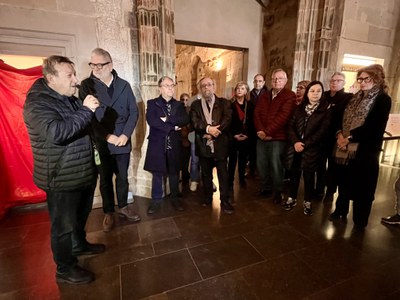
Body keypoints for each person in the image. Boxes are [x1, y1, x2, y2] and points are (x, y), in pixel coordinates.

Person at [23, 55, 105, 284]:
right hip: (61, 176)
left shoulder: (67, 96)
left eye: (74, 74)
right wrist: (86, 111)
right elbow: (57, 133)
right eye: (69, 75)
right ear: (50, 78)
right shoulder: (37, 103)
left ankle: (79, 244)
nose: (75, 80)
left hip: (81, 170)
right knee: (63, 226)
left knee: (80, 215)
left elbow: (80, 125)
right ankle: (65, 268)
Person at [79, 48, 140, 233]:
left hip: (122, 140)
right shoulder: (86, 85)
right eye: (93, 64)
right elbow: (87, 117)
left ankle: (123, 206)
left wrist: (125, 135)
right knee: (105, 179)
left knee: (122, 178)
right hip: (102, 141)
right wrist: (108, 136)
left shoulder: (124, 85)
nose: (96, 68)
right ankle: (108, 211)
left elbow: (133, 112)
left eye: (100, 64)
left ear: (110, 65)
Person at [329, 64, 391, 230]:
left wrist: (350, 137)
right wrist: (339, 135)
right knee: (343, 182)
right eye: (360, 79)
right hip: (345, 148)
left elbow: (375, 127)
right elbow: (338, 118)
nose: (362, 82)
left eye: (366, 79)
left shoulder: (382, 99)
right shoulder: (353, 98)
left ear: (376, 79)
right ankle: (340, 210)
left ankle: (360, 220)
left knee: (363, 188)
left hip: (365, 151)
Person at [283, 81, 332, 215]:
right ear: (307, 93)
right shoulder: (299, 108)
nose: (315, 93)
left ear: (322, 93)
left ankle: (307, 201)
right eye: (312, 91)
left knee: (309, 176)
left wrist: (305, 144)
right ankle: (291, 198)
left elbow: (322, 131)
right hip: (296, 147)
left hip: (312, 149)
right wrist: (296, 142)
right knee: (294, 174)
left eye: (318, 91)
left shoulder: (325, 110)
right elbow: (290, 126)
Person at [144, 76, 190, 214]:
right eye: (167, 85)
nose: (170, 88)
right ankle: (156, 201)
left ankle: (175, 199)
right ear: (160, 88)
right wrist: (171, 127)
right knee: (157, 174)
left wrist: (168, 119)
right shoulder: (152, 103)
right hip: (158, 144)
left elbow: (184, 119)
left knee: (174, 173)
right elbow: (152, 121)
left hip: (174, 144)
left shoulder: (179, 105)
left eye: (172, 85)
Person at [190, 76, 234, 214]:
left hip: (220, 144)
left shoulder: (224, 103)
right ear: (200, 89)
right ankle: (208, 198)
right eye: (203, 86)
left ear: (214, 87)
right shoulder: (195, 105)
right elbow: (195, 122)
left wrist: (216, 131)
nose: (206, 88)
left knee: (223, 175)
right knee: (206, 175)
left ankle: (225, 200)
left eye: (209, 85)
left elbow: (227, 119)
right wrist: (209, 129)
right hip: (203, 145)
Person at [253, 69, 296, 203]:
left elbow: (283, 117)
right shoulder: (265, 94)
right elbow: (257, 113)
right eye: (274, 79)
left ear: (286, 80)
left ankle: (278, 191)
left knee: (276, 165)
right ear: (271, 80)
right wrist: (261, 131)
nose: (277, 81)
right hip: (261, 136)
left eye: (280, 78)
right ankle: (265, 187)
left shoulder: (290, 95)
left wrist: (267, 132)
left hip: (278, 137)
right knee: (261, 163)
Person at [318, 72, 353, 201]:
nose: (334, 82)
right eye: (332, 80)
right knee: (320, 164)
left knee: (334, 166)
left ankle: (330, 192)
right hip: (322, 136)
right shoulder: (324, 95)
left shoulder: (348, 97)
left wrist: (341, 135)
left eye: (338, 80)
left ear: (343, 83)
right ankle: (319, 189)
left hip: (337, 136)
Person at [228, 81, 255, 189]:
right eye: (238, 88)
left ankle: (242, 179)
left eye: (242, 88)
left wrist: (247, 135)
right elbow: (227, 122)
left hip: (245, 136)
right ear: (235, 91)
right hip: (233, 136)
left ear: (246, 91)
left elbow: (252, 122)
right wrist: (234, 134)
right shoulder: (229, 105)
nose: (240, 90)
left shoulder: (250, 105)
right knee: (232, 160)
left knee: (243, 160)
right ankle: (230, 180)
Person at [248, 74, 268, 176]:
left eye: (260, 81)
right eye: (256, 81)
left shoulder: (268, 94)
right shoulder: (249, 95)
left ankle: (262, 172)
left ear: (264, 82)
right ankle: (252, 170)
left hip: (263, 126)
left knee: (263, 151)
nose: (257, 83)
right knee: (252, 150)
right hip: (251, 126)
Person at [179, 93, 191, 184]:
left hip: (190, 137)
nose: (184, 102)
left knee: (190, 159)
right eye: (183, 99)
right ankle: (184, 176)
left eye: (186, 100)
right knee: (183, 159)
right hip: (182, 138)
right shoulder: (178, 110)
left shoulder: (191, 110)